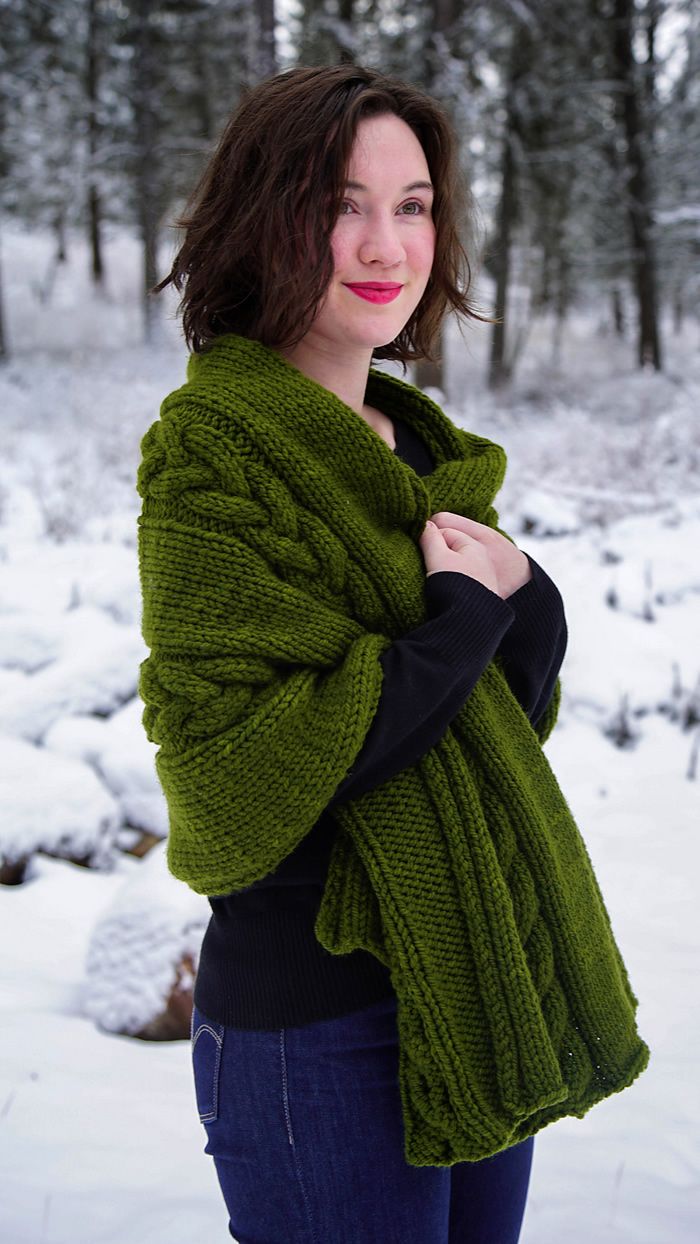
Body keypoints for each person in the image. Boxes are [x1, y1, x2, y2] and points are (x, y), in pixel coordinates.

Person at [136, 63, 648, 1244]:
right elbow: (243, 777)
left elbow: (490, 722)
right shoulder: (211, 455)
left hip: (472, 974)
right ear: (265, 216)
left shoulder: (422, 454)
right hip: (312, 1024)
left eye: (411, 204)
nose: (383, 241)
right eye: (340, 201)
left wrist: (525, 605)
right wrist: (466, 616)